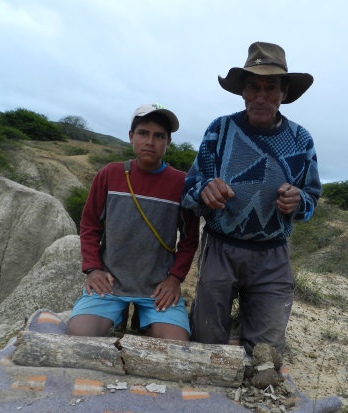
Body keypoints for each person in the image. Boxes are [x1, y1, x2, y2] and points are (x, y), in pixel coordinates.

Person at [182, 42, 321, 354]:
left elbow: (312, 199)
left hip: (273, 257)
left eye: (270, 88)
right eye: (253, 87)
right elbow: (189, 190)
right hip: (219, 249)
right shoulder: (220, 129)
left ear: (284, 93)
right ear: (242, 91)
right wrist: (206, 193)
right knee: (206, 346)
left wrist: (299, 203)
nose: (260, 97)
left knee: (266, 355)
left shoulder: (302, 140)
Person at [67, 103, 199, 341]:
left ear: (168, 142)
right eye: (143, 133)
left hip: (157, 288)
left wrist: (175, 278)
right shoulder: (110, 174)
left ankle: (142, 319)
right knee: (79, 336)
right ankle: (119, 317)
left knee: (175, 345)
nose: (150, 141)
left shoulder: (182, 183)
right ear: (131, 136)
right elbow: (89, 225)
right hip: (110, 285)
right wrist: (93, 268)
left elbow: (189, 239)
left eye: (159, 136)